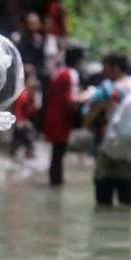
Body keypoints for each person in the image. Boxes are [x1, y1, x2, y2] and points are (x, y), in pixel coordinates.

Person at [84, 52, 131, 207]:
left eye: (105, 67)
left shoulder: (106, 90)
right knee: (126, 200)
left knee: (103, 202)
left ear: (115, 68)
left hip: (107, 150)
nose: (103, 72)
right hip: (130, 150)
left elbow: (87, 121)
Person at [43, 44, 92, 186]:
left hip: (51, 117)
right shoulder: (71, 74)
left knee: (56, 154)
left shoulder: (58, 72)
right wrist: (89, 94)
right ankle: (56, 184)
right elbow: (72, 100)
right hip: (61, 120)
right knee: (58, 153)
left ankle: (56, 182)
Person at [10, 75, 40, 160]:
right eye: (33, 89)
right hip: (19, 120)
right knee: (21, 135)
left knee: (29, 134)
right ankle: (15, 151)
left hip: (27, 120)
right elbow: (18, 110)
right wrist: (20, 120)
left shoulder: (32, 97)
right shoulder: (24, 96)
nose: (35, 91)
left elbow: (33, 112)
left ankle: (28, 152)